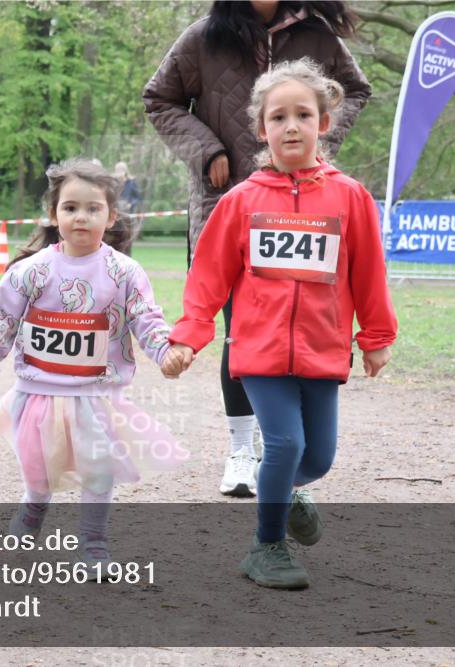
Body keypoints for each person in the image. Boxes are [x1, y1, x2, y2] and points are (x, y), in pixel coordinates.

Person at [162, 59, 396, 588]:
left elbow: (369, 273)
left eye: (303, 115)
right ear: (261, 128)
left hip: (322, 349)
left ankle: (283, 490)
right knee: (285, 445)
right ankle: (266, 545)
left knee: (318, 456)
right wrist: (189, 337)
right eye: (278, 117)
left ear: (324, 124)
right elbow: (208, 278)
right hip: (260, 351)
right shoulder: (242, 200)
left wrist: (376, 337)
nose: (291, 126)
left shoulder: (350, 197)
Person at [143, 0, 371, 497]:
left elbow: (355, 90)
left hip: (306, 210)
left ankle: (281, 447)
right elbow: (158, 98)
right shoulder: (204, 36)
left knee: (299, 320)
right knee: (237, 331)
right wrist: (207, 150)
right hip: (225, 202)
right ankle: (241, 450)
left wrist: (317, 144)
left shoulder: (317, 33)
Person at [0, 158, 186, 571]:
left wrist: (165, 352)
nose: (80, 217)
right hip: (38, 394)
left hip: (98, 396)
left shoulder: (124, 272)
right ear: (53, 214)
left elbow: (146, 318)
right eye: (70, 208)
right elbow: (0, 322)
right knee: (39, 472)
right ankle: (33, 508)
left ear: (111, 216)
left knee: (99, 471)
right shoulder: (30, 273)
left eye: (92, 208)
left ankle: (94, 544)